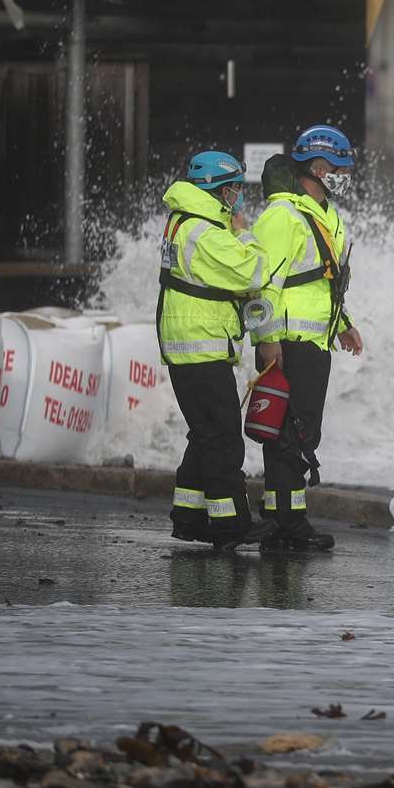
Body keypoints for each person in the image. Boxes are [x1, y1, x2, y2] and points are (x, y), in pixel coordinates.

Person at [249, 125, 363, 552]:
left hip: (315, 344)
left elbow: (322, 284)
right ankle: (284, 526)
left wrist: (343, 324)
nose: (344, 174)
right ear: (317, 166)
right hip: (288, 341)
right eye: (339, 167)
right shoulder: (283, 215)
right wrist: (267, 338)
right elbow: (264, 284)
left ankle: (287, 521)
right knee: (286, 437)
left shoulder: (327, 214)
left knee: (297, 437)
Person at [158, 151, 273, 550]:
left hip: (190, 347)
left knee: (205, 434)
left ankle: (188, 517)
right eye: (232, 189)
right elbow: (252, 271)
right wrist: (243, 232)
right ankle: (230, 525)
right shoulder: (203, 233)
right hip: (200, 348)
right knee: (225, 439)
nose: (238, 197)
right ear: (212, 188)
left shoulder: (188, 221)